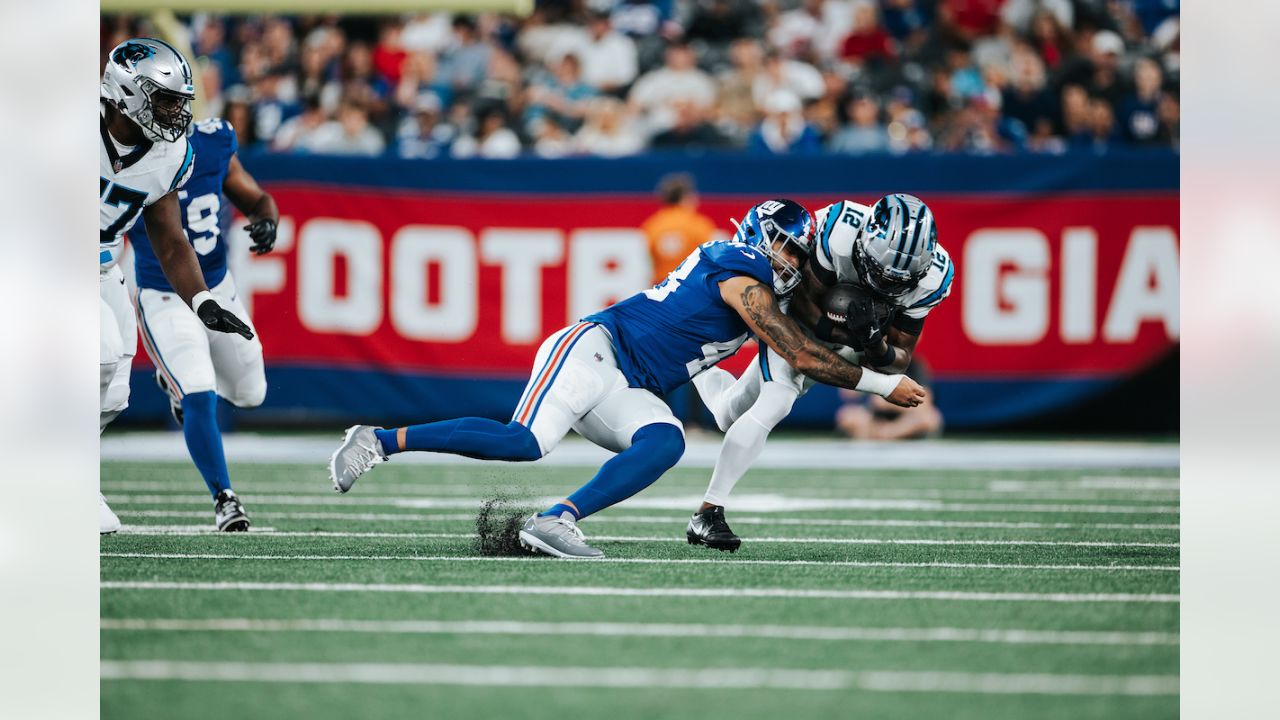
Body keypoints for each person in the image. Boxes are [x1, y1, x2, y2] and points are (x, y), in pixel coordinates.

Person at [328, 199, 925, 559]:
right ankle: (377, 440)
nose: (796, 264)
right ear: (764, 242)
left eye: (801, 256)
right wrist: (878, 382)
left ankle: (556, 519)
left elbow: (787, 348)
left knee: (666, 441)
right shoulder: (738, 266)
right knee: (525, 442)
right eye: (789, 252)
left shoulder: (761, 283)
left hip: (630, 384)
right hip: (594, 349)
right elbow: (799, 351)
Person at [689, 195, 952, 551]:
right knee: (778, 399)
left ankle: (697, 369)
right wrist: (849, 333)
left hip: (850, 338)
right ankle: (708, 512)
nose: (885, 286)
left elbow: (897, 359)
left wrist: (873, 341)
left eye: (898, 282)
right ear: (864, 244)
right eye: (879, 273)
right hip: (799, 311)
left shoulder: (934, 278)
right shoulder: (840, 233)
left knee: (726, 414)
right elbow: (803, 306)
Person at [100, 39, 253, 533]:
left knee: (114, 393)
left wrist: (202, 300)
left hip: (104, 268)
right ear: (125, 92)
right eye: (164, 99)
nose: (175, 112)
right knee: (100, 354)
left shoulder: (169, 154)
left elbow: (170, 240)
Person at [130, 117, 279, 532]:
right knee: (199, 391)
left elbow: (257, 197)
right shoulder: (129, 152)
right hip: (165, 296)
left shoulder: (214, 140)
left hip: (219, 289)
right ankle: (224, 498)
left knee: (251, 393)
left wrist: (267, 217)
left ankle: (174, 387)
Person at [836, 356, 944, 440]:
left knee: (931, 419)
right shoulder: (873, 361)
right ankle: (875, 438)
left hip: (903, 421)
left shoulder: (915, 365)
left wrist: (889, 404)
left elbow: (925, 401)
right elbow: (847, 393)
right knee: (847, 416)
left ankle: (887, 435)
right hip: (874, 418)